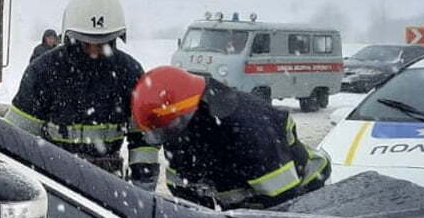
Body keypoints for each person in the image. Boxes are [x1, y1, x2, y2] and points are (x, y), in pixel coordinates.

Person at [5, 0, 159, 187]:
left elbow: (143, 138)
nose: (94, 52)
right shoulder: (44, 71)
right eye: (87, 44)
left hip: (109, 184)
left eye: (102, 44)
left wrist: (143, 185)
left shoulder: (130, 72)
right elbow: (15, 136)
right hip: (55, 183)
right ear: (71, 39)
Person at [131, 65, 330, 210]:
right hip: (249, 206)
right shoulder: (180, 130)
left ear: (191, 111)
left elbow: (282, 205)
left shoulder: (248, 129)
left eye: (168, 129)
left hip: (305, 192)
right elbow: (185, 193)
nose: (168, 139)